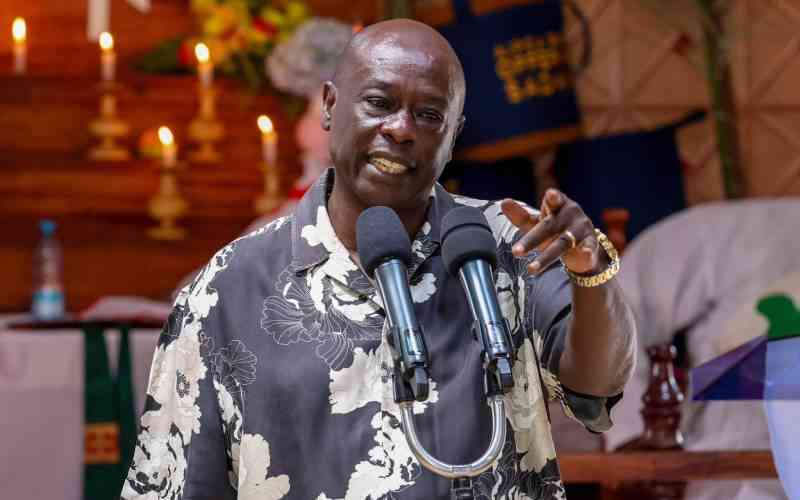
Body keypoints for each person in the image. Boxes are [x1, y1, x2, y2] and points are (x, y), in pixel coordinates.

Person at [121, 19, 635, 500]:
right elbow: (171, 484)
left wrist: (591, 273)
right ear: (329, 106)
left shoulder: (510, 243)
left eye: (429, 115)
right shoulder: (227, 288)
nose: (401, 128)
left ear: (454, 135)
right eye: (379, 103)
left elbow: (596, 387)